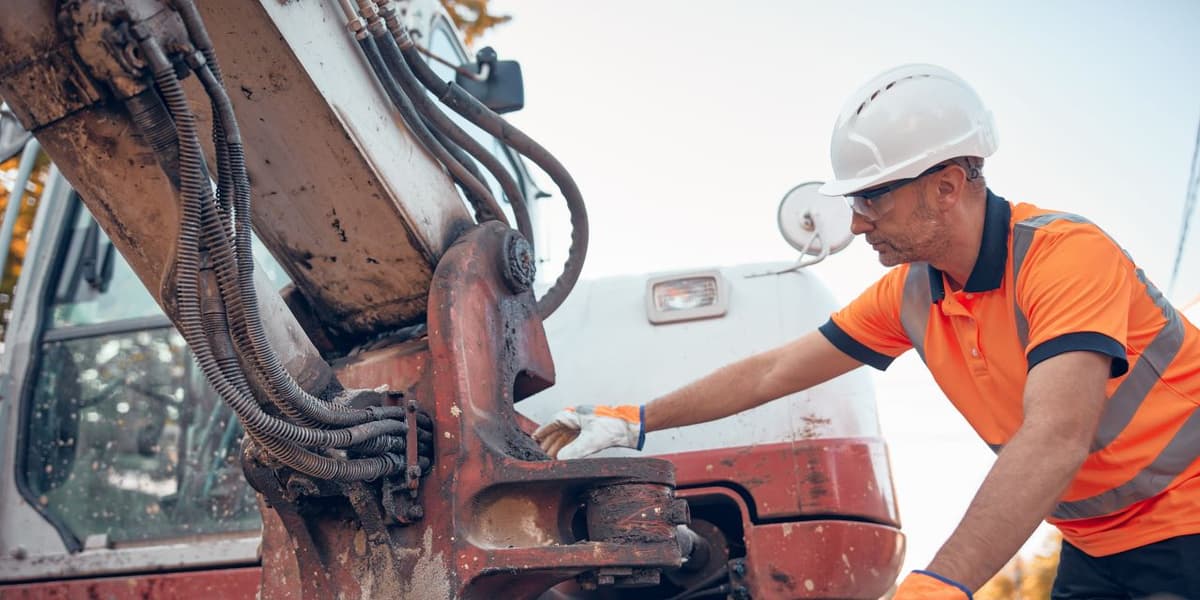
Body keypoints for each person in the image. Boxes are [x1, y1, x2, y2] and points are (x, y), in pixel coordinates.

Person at [533, 64, 1200, 599]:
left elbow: (1056, 435)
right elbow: (773, 371)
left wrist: (943, 582)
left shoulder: (1065, 257)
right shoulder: (912, 295)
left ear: (946, 187)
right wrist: (634, 419)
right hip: (1095, 545)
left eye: (872, 195)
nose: (856, 222)